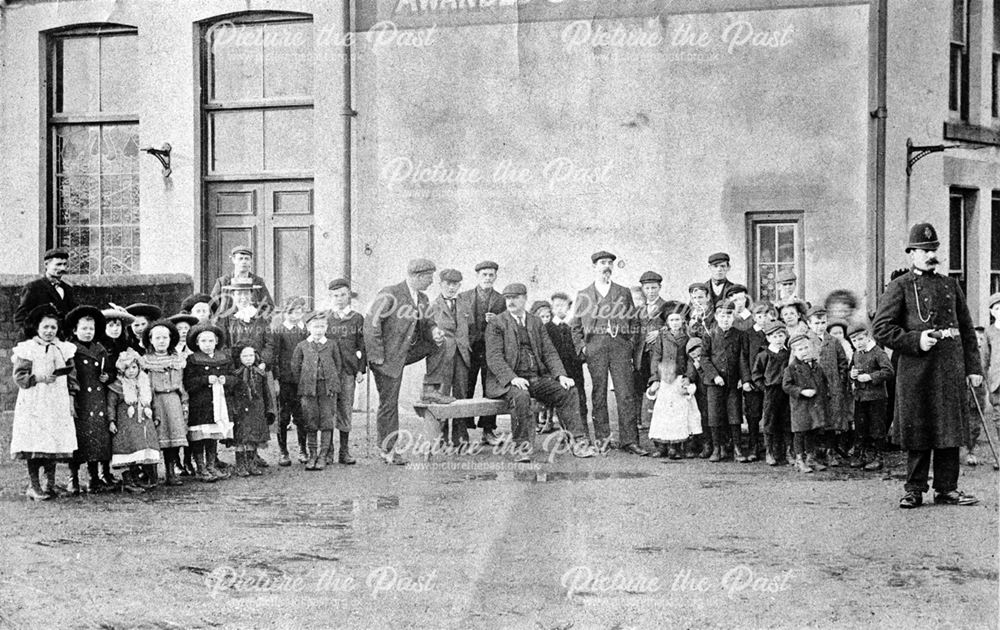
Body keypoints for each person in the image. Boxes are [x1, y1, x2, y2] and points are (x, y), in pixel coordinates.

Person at [872, 222, 982, 508]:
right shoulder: (900, 286)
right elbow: (881, 329)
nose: (929, 255)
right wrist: (916, 340)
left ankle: (947, 489)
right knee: (918, 429)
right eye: (923, 250)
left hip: (949, 367)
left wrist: (973, 368)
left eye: (933, 250)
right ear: (911, 253)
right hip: (916, 369)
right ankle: (914, 489)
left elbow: (967, 331)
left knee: (948, 429)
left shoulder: (950, 285)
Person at [484, 283, 595, 462]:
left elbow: (549, 351)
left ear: (524, 298)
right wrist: (512, 378)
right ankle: (522, 448)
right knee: (521, 397)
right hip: (507, 381)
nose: (510, 301)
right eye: (508, 298)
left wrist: (561, 375)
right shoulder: (497, 323)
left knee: (568, 391)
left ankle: (578, 442)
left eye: (515, 297)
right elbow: (494, 357)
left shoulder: (535, 321)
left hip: (535, 378)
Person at [364, 259, 441, 465]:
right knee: (389, 402)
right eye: (429, 277)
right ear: (417, 277)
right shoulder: (390, 293)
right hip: (386, 358)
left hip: (406, 352)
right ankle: (387, 449)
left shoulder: (422, 298)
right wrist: (377, 357)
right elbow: (371, 323)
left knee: (441, 345)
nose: (431, 282)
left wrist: (435, 331)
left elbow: (429, 321)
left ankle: (432, 388)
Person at [571, 251, 646, 456]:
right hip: (595, 346)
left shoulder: (623, 292)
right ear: (594, 267)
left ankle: (629, 440)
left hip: (620, 346)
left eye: (609, 263)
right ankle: (603, 439)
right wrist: (583, 348)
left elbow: (633, 321)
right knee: (599, 392)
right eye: (602, 263)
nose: (606, 266)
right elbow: (575, 326)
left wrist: (629, 343)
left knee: (626, 393)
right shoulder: (584, 294)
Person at [9, 304, 78, 501]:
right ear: (37, 327)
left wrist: (71, 396)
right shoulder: (28, 349)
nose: (49, 331)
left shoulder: (62, 348)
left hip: (56, 401)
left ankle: (50, 484)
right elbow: (19, 376)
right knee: (35, 440)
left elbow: (72, 375)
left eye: (53, 328)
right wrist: (38, 377)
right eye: (45, 327)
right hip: (35, 401)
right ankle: (34, 485)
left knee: (52, 440)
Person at [65, 306, 113, 494]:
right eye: (84, 329)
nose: (87, 332)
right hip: (80, 398)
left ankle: (94, 477)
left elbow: (110, 371)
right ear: (75, 330)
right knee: (78, 439)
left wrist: (107, 377)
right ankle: (73, 478)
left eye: (91, 329)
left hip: (98, 398)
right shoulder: (71, 349)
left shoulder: (100, 349)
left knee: (97, 439)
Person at [460, 260, 506, 445]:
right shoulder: (464, 297)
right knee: (466, 387)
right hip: (470, 349)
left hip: (491, 350)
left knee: (492, 390)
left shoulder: (501, 299)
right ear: (477, 276)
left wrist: (497, 320)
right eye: (484, 275)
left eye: (491, 275)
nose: (487, 278)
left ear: (495, 276)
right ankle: (462, 432)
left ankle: (488, 431)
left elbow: (507, 325)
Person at [183, 323, 236, 482]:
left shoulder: (224, 358)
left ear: (216, 341)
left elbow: (234, 378)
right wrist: (205, 380)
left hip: (218, 405)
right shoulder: (192, 360)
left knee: (212, 436)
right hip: (200, 405)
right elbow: (188, 382)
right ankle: (200, 467)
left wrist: (226, 380)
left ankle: (211, 465)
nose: (207, 345)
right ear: (197, 343)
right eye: (203, 341)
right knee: (200, 437)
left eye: (210, 341)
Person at [292, 311, 342, 470]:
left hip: (327, 389)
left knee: (327, 421)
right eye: (315, 326)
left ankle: (323, 455)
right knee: (310, 421)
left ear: (326, 327)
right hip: (308, 390)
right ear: (308, 327)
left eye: (322, 326)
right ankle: (312, 454)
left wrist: (331, 381)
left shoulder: (332, 344)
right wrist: (305, 383)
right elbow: (295, 367)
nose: (319, 330)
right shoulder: (302, 346)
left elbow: (338, 365)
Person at [141, 320, 188, 487]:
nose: (161, 341)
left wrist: (184, 402)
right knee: (154, 436)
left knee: (173, 435)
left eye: (165, 337)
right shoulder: (145, 360)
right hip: (155, 400)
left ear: (171, 339)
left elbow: (182, 383)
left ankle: (170, 471)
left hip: (173, 400)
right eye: (157, 338)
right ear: (150, 340)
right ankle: (151, 474)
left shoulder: (177, 359)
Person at [108, 349, 161, 491]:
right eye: (127, 368)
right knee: (127, 449)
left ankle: (141, 478)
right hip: (126, 423)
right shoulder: (118, 386)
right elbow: (111, 405)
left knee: (142, 447)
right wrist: (111, 421)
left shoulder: (144, 383)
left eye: (134, 367)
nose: (131, 371)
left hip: (143, 421)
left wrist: (156, 417)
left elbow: (153, 402)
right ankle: (128, 481)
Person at [701, 299, 748, 462]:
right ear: (716, 316)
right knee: (714, 416)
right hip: (714, 383)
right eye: (722, 315)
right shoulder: (710, 334)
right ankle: (716, 448)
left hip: (733, 382)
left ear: (733, 316)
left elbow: (742, 358)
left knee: (734, 415)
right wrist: (715, 375)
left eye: (729, 315)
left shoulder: (739, 335)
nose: (725, 318)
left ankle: (737, 448)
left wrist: (744, 378)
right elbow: (703, 358)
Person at [326, 278, 365, 465]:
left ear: (348, 295)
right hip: (329, 372)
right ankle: (327, 451)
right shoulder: (326, 318)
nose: (339, 299)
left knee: (345, 409)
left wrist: (361, 370)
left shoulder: (357, 318)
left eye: (342, 295)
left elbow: (362, 346)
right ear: (330, 297)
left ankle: (344, 451)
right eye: (335, 295)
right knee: (329, 409)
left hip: (348, 371)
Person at [806, 306, 850, 467]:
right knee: (814, 420)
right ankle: (813, 453)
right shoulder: (806, 340)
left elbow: (843, 363)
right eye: (816, 323)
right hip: (814, 388)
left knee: (832, 420)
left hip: (833, 387)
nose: (820, 326)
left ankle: (831, 451)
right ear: (809, 323)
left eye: (823, 322)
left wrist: (840, 381)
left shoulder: (833, 341)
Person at [847, 322, 893, 471]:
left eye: (860, 339)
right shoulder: (856, 354)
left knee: (877, 428)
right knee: (861, 428)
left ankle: (878, 457)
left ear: (867, 336)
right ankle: (862, 456)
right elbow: (851, 372)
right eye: (854, 341)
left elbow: (889, 371)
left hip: (876, 398)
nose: (857, 343)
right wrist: (852, 375)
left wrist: (870, 377)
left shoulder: (878, 352)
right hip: (860, 397)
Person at [422, 269, 470, 410]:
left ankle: (459, 431)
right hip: (442, 357)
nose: (451, 288)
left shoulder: (465, 305)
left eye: (455, 284)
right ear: (440, 284)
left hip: (462, 355)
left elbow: (470, 328)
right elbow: (427, 331)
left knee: (461, 394)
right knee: (442, 394)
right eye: (448, 284)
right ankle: (441, 432)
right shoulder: (432, 306)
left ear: (459, 286)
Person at [783, 333, 829, 473]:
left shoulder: (816, 365)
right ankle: (799, 460)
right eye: (800, 349)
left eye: (806, 348)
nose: (804, 352)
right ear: (794, 352)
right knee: (800, 433)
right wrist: (801, 391)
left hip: (814, 405)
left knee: (811, 431)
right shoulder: (791, 368)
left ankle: (810, 458)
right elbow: (786, 386)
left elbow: (824, 382)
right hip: (800, 406)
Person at [273, 296, 308, 466]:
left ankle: (303, 449)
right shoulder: (279, 331)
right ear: (285, 312)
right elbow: (276, 357)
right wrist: (276, 380)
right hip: (286, 380)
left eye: (299, 311)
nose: (296, 315)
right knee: (283, 417)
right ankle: (283, 451)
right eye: (292, 311)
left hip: (302, 380)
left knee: (302, 416)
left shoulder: (305, 330)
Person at [13, 248, 78, 337]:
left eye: (65, 264)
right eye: (58, 264)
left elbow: (73, 314)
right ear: (46, 265)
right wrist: (34, 338)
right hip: (38, 342)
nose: (62, 268)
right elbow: (20, 318)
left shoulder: (67, 289)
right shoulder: (33, 287)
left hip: (59, 342)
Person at [548, 292, 589, 431]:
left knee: (580, 400)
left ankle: (583, 432)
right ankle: (565, 433)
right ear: (552, 308)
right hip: (558, 371)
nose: (559, 308)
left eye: (563, 305)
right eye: (556, 306)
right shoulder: (547, 328)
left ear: (569, 307)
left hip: (575, 370)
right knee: (562, 401)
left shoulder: (572, 327)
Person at [752, 322, 791, 466]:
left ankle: (788, 452)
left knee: (786, 420)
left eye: (781, 335)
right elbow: (756, 375)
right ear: (768, 338)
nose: (778, 339)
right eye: (774, 336)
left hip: (786, 391)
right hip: (771, 392)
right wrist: (765, 389)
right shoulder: (764, 355)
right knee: (769, 422)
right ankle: (770, 452)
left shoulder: (788, 354)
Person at [231, 346, 273, 477]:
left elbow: (266, 393)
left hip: (256, 408)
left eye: (251, 356)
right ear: (239, 358)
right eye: (245, 356)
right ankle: (240, 465)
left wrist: (269, 409)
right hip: (240, 409)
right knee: (240, 437)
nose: (248, 359)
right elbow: (231, 394)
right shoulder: (236, 374)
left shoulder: (260, 374)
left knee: (253, 436)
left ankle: (252, 463)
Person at [646, 360, 700, 459]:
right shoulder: (660, 383)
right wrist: (652, 390)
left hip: (677, 413)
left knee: (676, 431)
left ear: (676, 373)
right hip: (663, 413)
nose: (668, 377)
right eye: (665, 375)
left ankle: (676, 449)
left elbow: (692, 388)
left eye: (671, 374)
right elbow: (650, 395)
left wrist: (686, 390)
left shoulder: (680, 380)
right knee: (661, 430)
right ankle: (661, 449)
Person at [634, 271, 668, 429]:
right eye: (647, 288)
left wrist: (659, 332)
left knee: (658, 385)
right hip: (641, 353)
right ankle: (641, 421)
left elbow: (676, 325)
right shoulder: (639, 309)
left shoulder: (667, 306)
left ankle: (658, 421)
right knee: (640, 385)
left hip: (659, 354)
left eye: (654, 288)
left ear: (659, 287)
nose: (651, 291)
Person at [740, 302, 771, 461]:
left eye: (766, 315)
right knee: (753, 414)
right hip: (753, 381)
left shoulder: (775, 333)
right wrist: (746, 380)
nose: (763, 319)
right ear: (754, 317)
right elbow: (743, 358)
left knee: (771, 414)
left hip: (771, 381)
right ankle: (753, 445)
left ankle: (771, 447)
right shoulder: (748, 334)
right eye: (759, 316)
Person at [211, 246, 274, 317]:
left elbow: (269, 306)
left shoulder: (258, 281)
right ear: (233, 260)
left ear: (251, 261)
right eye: (240, 258)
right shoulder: (223, 282)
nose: (243, 262)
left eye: (247, 259)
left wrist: (255, 313)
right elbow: (212, 305)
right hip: (228, 324)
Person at [684, 337, 712, 458]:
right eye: (692, 352)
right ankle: (699, 442)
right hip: (699, 392)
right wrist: (688, 379)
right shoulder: (691, 361)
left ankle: (710, 444)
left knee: (709, 417)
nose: (695, 354)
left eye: (697, 350)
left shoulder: (708, 358)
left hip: (711, 389)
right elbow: (691, 374)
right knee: (699, 416)